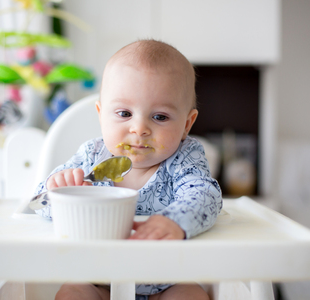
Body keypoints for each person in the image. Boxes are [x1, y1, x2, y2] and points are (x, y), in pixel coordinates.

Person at [34, 39, 222, 300]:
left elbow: (206, 195)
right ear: (101, 114)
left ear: (187, 125)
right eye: (124, 113)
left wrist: (175, 221)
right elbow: (37, 205)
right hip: (98, 281)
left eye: (160, 117)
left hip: (165, 281)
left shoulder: (184, 158)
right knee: (72, 292)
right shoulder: (91, 157)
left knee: (191, 295)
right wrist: (58, 191)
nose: (139, 128)